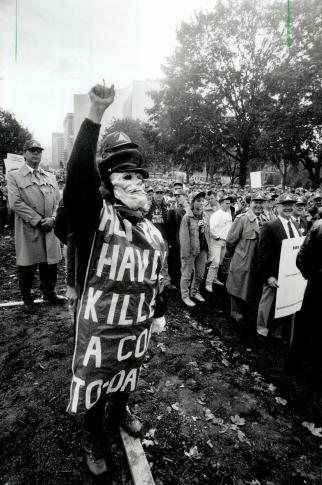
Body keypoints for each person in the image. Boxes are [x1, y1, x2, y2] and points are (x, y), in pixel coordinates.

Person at [63, 84, 166, 475]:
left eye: (140, 173)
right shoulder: (97, 215)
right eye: (127, 173)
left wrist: (160, 307)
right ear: (108, 180)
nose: (137, 180)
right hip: (100, 330)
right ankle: (92, 433)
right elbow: (76, 182)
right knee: (96, 380)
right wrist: (93, 114)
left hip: (133, 330)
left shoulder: (149, 227)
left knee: (126, 375)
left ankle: (120, 410)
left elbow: (155, 272)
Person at [7, 139, 64, 312]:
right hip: (29, 227)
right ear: (24, 153)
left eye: (38, 151)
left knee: (50, 263)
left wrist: (53, 218)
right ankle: (27, 298)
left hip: (49, 227)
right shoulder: (14, 175)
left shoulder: (50, 176)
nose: (36, 154)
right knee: (28, 265)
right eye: (32, 151)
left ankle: (49, 292)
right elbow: (15, 203)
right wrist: (39, 221)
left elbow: (58, 201)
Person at [288, 215, 322, 385]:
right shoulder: (321, 226)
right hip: (318, 284)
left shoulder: (320, 225)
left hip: (316, 284)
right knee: (308, 324)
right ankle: (299, 365)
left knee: (310, 325)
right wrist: (313, 277)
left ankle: (304, 365)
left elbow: (301, 258)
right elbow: (301, 258)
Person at [256, 194, 300, 340]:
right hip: (273, 273)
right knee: (267, 302)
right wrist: (268, 276)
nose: (288, 207)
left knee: (284, 304)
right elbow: (262, 254)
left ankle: (277, 330)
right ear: (278, 206)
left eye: (291, 204)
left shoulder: (296, 225)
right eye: (284, 204)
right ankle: (261, 330)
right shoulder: (270, 226)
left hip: (289, 274)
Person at [226, 193, 266, 327]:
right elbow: (231, 241)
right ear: (250, 203)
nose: (259, 205)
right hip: (242, 260)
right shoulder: (242, 219)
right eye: (256, 202)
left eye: (262, 202)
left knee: (251, 288)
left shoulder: (266, 219)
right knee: (238, 286)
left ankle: (247, 312)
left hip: (257, 262)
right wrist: (238, 256)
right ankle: (235, 313)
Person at [179, 191, 210, 307]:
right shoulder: (187, 217)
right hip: (190, 250)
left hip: (203, 249)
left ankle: (195, 291)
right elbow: (184, 237)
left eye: (202, 200)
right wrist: (186, 254)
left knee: (200, 274)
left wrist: (209, 249)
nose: (201, 202)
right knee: (187, 274)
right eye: (198, 200)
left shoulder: (205, 215)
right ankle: (185, 296)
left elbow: (207, 232)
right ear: (192, 202)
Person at [205, 195, 233, 292]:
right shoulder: (216, 214)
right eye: (226, 203)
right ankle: (208, 283)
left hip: (225, 241)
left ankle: (214, 278)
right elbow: (212, 228)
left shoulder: (228, 214)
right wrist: (218, 237)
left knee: (219, 262)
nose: (228, 205)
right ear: (221, 203)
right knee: (215, 262)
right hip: (217, 241)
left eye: (229, 203)